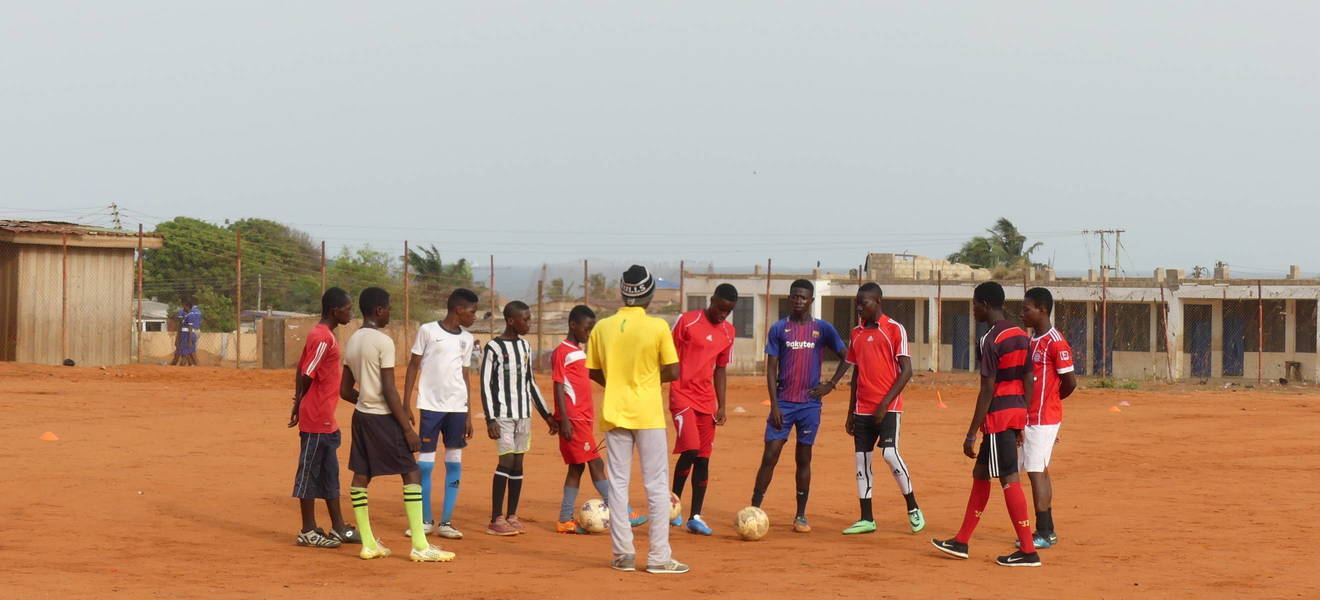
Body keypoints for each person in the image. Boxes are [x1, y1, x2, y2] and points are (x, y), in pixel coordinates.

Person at [587, 265, 688, 574]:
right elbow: (673, 370)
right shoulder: (657, 327)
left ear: (622, 291)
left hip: (614, 411)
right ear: (649, 294)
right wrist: (644, 379)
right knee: (656, 485)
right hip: (647, 412)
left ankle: (623, 555)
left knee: (618, 484)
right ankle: (658, 557)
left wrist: (618, 382)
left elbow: (593, 370)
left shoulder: (601, 327)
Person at [341, 287, 454, 562]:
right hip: (382, 418)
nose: (390, 312)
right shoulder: (383, 341)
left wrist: (365, 398)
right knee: (411, 472)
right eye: (389, 308)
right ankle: (419, 545)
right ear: (379, 310)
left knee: (361, 475)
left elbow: (344, 390)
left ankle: (368, 543)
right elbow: (390, 390)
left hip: (361, 417)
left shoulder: (353, 340)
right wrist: (406, 427)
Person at [931, 281, 1040, 567]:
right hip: (1015, 412)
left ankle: (1028, 550)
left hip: (998, 417)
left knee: (1008, 479)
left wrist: (970, 433)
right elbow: (1029, 379)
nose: (973, 308)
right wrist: (1022, 415)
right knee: (981, 474)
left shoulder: (989, 339)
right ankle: (961, 541)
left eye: (975, 303)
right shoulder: (1020, 335)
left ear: (987, 305)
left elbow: (987, 389)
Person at [750, 279, 849, 533]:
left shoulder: (822, 329)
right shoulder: (779, 329)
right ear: (789, 299)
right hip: (783, 403)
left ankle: (801, 515)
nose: (798, 301)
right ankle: (754, 508)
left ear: (811, 301)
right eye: (794, 296)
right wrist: (774, 405)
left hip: (809, 406)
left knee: (803, 458)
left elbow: (847, 356)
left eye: (803, 297)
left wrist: (831, 384)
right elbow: (771, 370)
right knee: (769, 455)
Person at [551, 305, 647, 532]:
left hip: (583, 419)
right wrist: (563, 419)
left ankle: (565, 519)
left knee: (577, 468)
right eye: (587, 328)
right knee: (596, 463)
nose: (589, 333)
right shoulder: (562, 352)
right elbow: (558, 385)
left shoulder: (581, 352)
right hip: (573, 420)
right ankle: (623, 512)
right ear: (573, 325)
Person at [842, 283, 924, 535]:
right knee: (861, 461)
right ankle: (866, 518)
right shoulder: (856, 333)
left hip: (888, 407)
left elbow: (907, 370)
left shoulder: (894, 329)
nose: (859, 307)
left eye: (863, 303)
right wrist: (849, 412)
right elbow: (856, 373)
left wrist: (885, 403)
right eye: (857, 302)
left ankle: (913, 507)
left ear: (877, 302)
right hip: (862, 409)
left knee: (889, 453)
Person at [401, 288, 479, 540]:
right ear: (459, 310)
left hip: (457, 407)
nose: (474, 317)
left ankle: (446, 521)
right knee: (425, 464)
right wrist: (405, 403)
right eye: (472, 311)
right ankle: (425, 520)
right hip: (431, 406)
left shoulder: (467, 339)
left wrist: (468, 412)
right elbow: (413, 366)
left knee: (454, 460)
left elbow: (465, 375)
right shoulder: (428, 331)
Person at [287, 287, 359, 548]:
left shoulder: (322, 335)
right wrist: (302, 402)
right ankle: (307, 530)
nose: (351, 313)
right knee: (309, 472)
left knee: (330, 473)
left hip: (326, 417)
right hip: (317, 418)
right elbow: (307, 372)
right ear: (335, 311)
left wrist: (298, 402)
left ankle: (338, 526)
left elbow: (300, 367)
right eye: (348, 308)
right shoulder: (323, 337)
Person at [480, 301, 556, 536]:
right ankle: (495, 518)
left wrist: (547, 415)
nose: (529, 323)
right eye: (526, 319)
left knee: (518, 463)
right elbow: (484, 384)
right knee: (506, 461)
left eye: (530, 318)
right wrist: (490, 419)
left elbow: (530, 382)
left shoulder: (524, 347)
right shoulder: (493, 347)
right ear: (511, 321)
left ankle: (512, 515)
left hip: (524, 414)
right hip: (503, 414)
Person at [668, 283, 738, 535]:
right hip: (681, 394)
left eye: (728, 311)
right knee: (691, 447)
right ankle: (671, 505)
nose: (722, 315)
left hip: (706, 401)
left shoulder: (729, 332)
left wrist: (723, 405)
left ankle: (695, 516)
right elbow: (668, 355)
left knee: (703, 457)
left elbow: (721, 369)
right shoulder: (687, 321)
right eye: (720, 308)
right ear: (712, 300)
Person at [1020, 287, 1076, 550]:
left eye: (1026, 308)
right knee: (1039, 470)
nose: (1023, 314)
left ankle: (1043, 531)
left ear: (1042, 310)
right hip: (1030, 417)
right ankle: (1048, 528)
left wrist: (1050, 405)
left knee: (1035, 472)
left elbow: (1070, 382)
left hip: (1042, 418)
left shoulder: (1056, 342)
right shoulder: (1031, 340)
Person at [173, 300, 200, 366]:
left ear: (188, 307)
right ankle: (195, 367)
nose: (183, 308)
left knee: (185, 353)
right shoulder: (187, 315)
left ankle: (184, 367)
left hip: (187, 335)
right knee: (190, 353)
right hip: (186, 335)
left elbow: (190, 328)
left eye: (184, 306)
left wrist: (189, 341)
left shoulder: (190, 316)